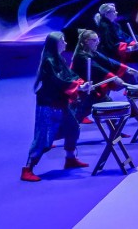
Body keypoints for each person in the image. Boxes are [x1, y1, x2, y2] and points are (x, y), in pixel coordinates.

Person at [22, 32, 89, 181]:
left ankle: (70, 158)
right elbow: (59, 81)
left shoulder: (59, 59)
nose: (66, 43)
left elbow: (69, 75)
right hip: (49, 104)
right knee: (43, 137)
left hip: (61, 102)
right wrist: (78, 87)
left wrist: (81, 83)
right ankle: (27, 168)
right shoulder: (49, 61)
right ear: (55, 44)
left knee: (73, 128)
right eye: (62, 41)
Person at [70, 28, 137, 123]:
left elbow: (108, 61)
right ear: (86, 41)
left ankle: (132, 117)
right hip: (84, 94)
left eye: (98, 39)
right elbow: (97, 69)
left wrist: (126, 68)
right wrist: (114, 78)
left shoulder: (92, 52)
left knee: (112, 111)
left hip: (94, 91)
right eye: (94, 40)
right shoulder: (80, 56)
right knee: (75, 120)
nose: (98, 42)